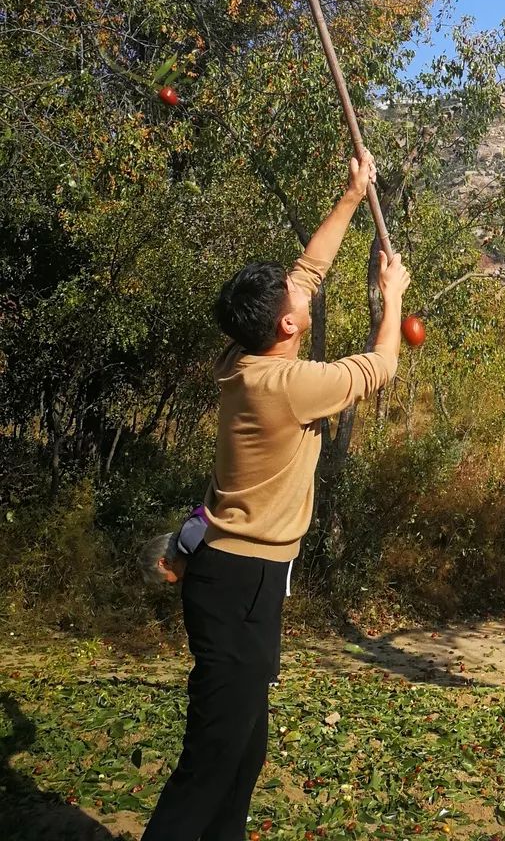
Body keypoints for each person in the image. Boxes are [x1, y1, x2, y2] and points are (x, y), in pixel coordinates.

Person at [143, 151, 410, 841]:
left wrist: (353, 196)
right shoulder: (285, 387)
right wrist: (393, 297)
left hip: (240, 576)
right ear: (286, 327)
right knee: (212, 761)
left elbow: (308, 271)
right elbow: (382, 365)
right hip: (241, 582)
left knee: (243, 752)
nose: (303, 292)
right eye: (295, 302)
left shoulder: (243, 356)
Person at [138, 504, 209, 586]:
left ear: (164, 563)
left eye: (166, 581)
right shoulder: (191, 529)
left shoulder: (192, 540)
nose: (172, 582)